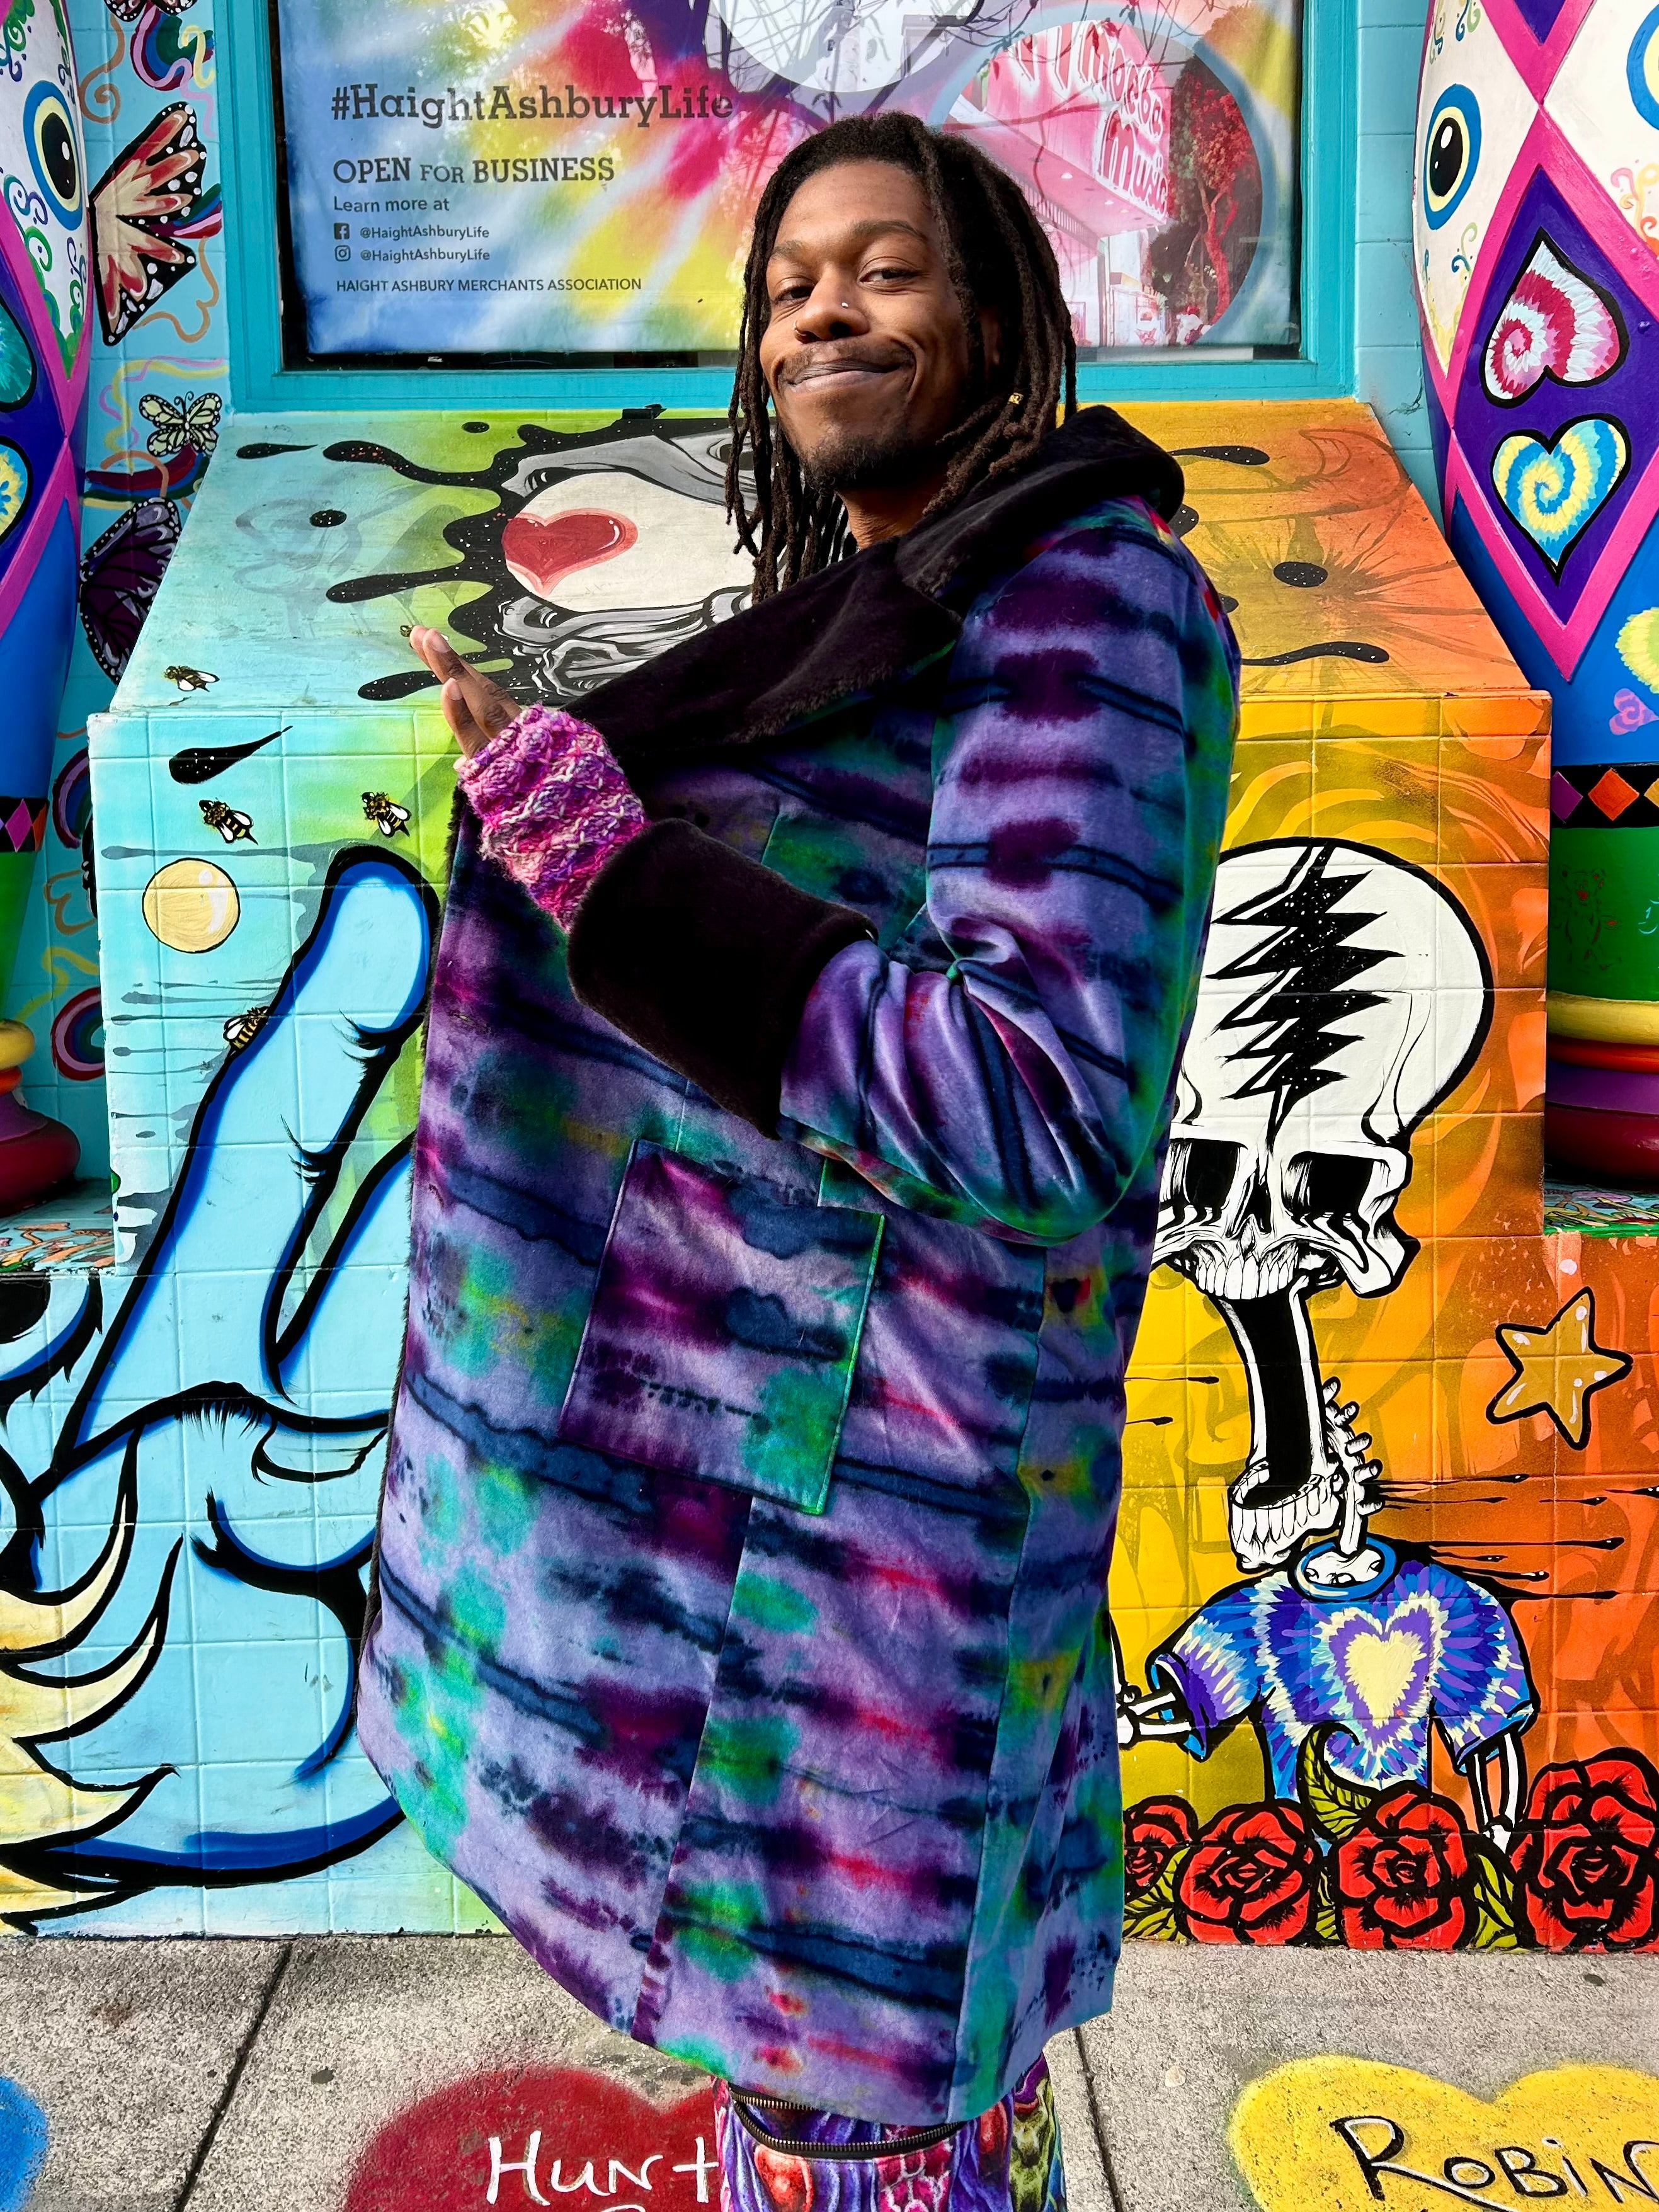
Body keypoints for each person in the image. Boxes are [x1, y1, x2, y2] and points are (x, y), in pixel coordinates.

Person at [358, 111, 1238, 2212]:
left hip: (877, 1565)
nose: (820, 314)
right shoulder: (903, 607)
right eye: (785, 286)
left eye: (885, 268)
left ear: (997, 317)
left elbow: (1034, 1101)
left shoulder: (1082, 599)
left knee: (873, 2122)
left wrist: (616, 877)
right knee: (862, 2112)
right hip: (803, 1530)